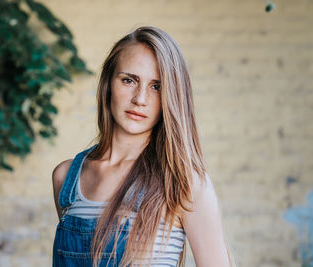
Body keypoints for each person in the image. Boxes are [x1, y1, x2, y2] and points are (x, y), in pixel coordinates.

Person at [52, 26, 233, 267]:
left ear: (172, 96)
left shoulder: (184, 182)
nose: (140, 99)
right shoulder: (66, 178)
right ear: (107, 84)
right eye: (129, 80)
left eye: (156, 86)